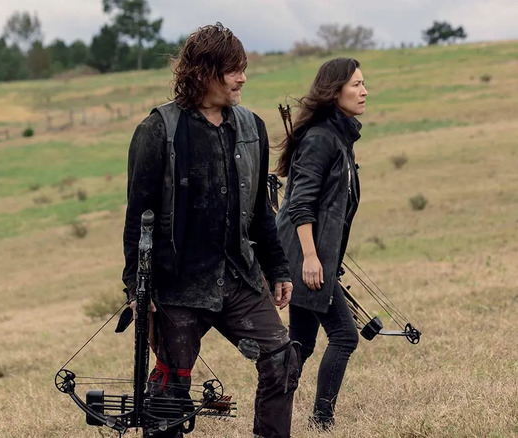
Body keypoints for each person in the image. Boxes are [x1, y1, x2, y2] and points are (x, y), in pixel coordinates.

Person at [122, 23, 299, 438]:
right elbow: (137, 219)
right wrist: (136, 289)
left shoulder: (252, 128)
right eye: (232, 70)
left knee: (281, 358)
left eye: (243, 68)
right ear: (202, 72)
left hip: (238, 275)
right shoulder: (157, 131)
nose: (242, 78)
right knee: (171, 384)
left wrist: (279, 269)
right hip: (178, 283)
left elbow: (260, 211)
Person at [274, 57, 368, 430]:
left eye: (363, 84)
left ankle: (272, 403)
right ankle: (321, 422)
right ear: (335, 92)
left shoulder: (338, 136)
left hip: (309, 256)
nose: (364, 91)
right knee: (344, 337)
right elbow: (299, 204)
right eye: (356, 85)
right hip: (306, 257)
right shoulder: (320, 138)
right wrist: (311, 258)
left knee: (300, 344)